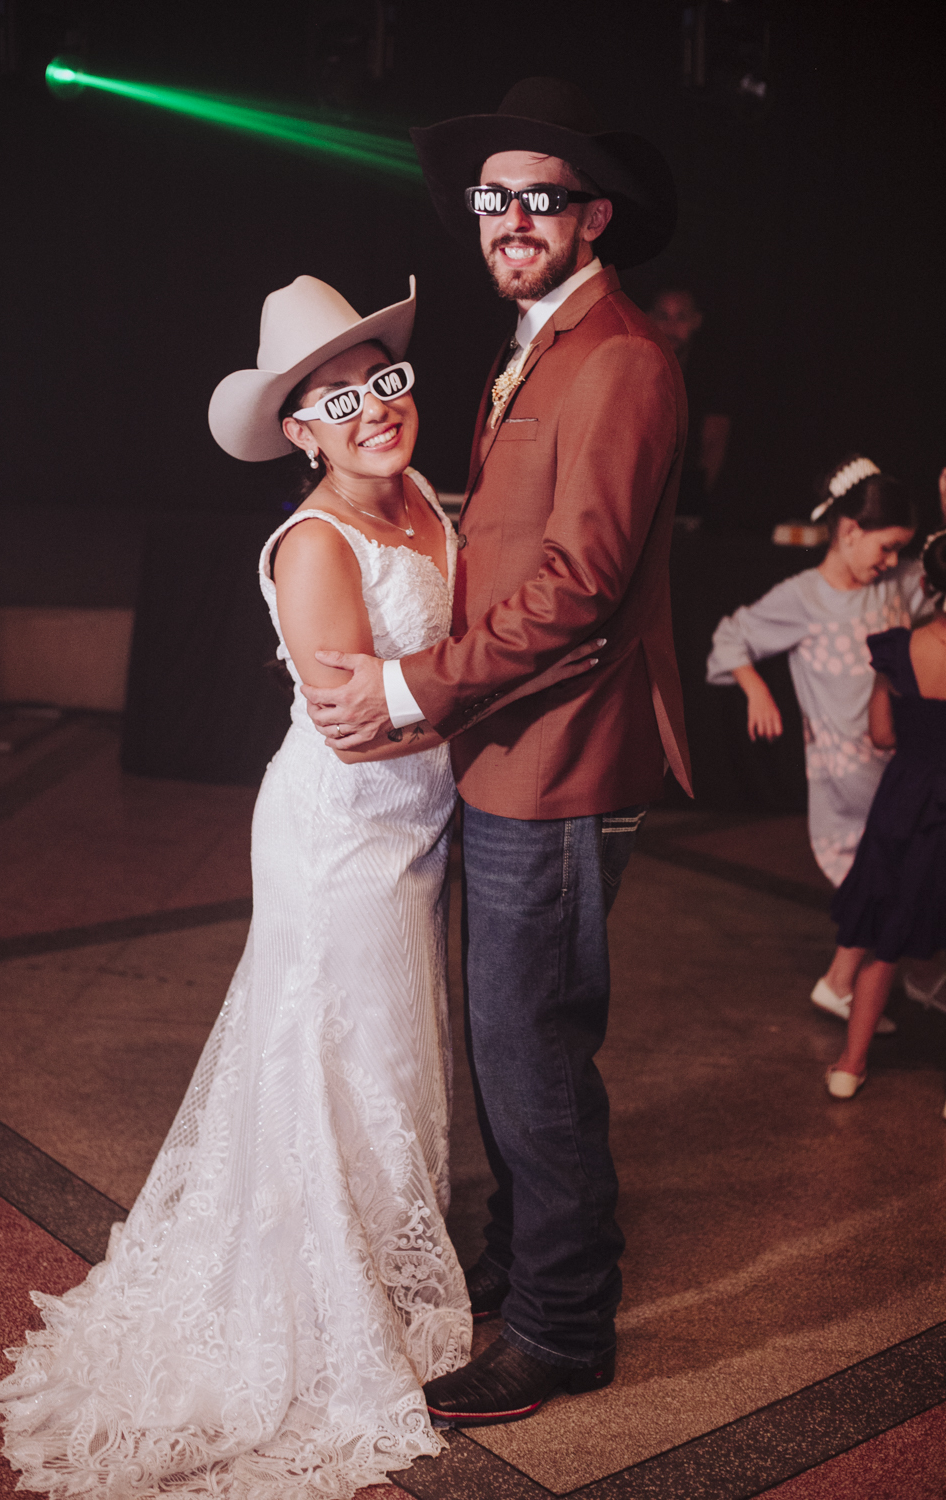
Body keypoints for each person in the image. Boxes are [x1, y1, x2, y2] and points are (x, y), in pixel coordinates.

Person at [0, 275, 595, 1496]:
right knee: (340, 1056)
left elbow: (425, 673)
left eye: (385, 381)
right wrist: (501, 694)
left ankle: (377, 1260)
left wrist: (466, 690)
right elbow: (357, 731)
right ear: (301, 429)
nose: (374, 408)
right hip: (340, 839)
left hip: (415, 831)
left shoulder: (425, 497)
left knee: (393, 1054)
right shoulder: (314, 541)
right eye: (338, 398)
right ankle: (319, 1302)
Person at [296, 77, 691, 1425]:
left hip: (564, 756)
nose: (511, 217)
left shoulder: (622, 356)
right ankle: (523, 1265)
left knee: (533, 1050)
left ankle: (563, 1328)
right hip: (510, 750)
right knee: (509, 1039)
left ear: (593, 217)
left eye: (541, 197)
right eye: (492, 196)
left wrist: (410, 686)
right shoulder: (539, 342)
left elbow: (578, 588)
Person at [706, 456, 926, 1034]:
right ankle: (852, 984)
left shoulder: (897, 583)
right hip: (848, 777)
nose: (892, 560)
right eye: (886, 546)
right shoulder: (804, 597)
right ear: (849, 531)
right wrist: (756, 689)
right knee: (885, 877)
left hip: (895, 764)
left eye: (901, 550)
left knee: (896, 877)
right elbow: (732, 635)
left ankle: (850, 982)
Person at [825, 529, 946, 1105]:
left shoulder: (898, 650)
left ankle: (850, 1066)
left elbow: (881, 733)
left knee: (885, 939)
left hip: (908, 802)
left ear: (925, 583)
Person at [648, 287, 731, 524]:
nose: (671, 326)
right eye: (663, 316)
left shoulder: (710, 376)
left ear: (696, 321)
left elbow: (714, 443)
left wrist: (691, 504)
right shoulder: (633, 366)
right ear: (649, 318)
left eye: (681, 317)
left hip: (687, 499)